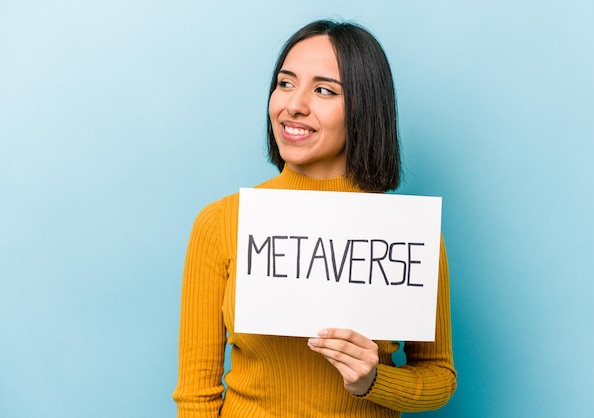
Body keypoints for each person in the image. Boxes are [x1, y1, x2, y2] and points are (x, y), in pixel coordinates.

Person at [172, 19, 456, 417]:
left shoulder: (407, 234)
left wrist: (372, 381)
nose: (294, 105)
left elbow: (439, 376)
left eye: (324, 90)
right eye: (285, 83)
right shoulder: (221, 222)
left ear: (364, 108)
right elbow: (196, 395)